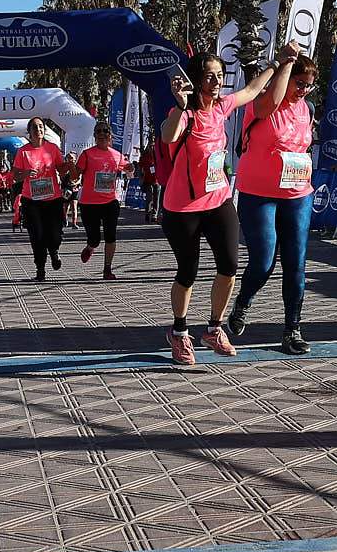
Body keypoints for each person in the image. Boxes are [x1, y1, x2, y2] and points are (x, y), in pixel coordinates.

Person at [160, 46, 295, 365]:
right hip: (183, 207)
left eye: (220, 76)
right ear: (194, 79)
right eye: (209, 76)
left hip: (218, 198)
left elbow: (251, 90)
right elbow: (168, 137)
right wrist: (180, 105)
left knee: (230, 265)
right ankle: (179, 333)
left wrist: (278, 63)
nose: (216, 82)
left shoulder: (221, 107)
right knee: (188, 272)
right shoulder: (184, 113)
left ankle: (214, 328)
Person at [230, 51, 319, 354]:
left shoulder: (305, 109)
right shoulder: (261, 104)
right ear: (286, 77)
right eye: (299, 84)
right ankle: (243, 301)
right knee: (264, 261)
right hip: (259, 194)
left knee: (296, 264)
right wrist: (286, 63)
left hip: (297, 194)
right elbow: (272, 100)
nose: (303, 91)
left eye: (309, 86)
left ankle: (292, 330)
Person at [13, 117, 68, 281]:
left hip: (53, 199)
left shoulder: (52, 148)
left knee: (55, 234)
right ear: (29, 132)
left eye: (41, 126)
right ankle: (40, 268)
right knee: (37, 235)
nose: (39, 129)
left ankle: (54, 250)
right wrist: (25, 174)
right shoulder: (23, 152)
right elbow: (15, 175)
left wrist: (69, 163)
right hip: (32, 200)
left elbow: (61, 169)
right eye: (35, 127)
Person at [75, 121, 130, 279]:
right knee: (95, 238)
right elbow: (76, 174)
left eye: (105, 131)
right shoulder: (87, 154)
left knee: (111, 235)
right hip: (89, 203)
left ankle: (107, 268)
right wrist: (72, 168)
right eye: (98, 131)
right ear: (94, 135)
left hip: (110, 201)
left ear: (110, 135)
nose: (102, 134)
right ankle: (90, 247)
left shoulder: (117, 155)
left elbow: (127, 167)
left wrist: (130, 168)